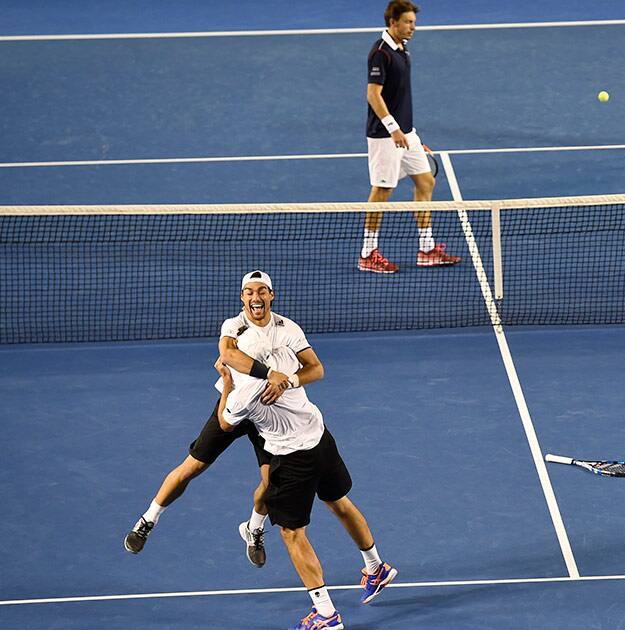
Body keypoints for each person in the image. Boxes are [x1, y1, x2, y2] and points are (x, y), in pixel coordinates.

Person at [123, 270, 321, 569]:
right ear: (242, 298)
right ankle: (148, 519)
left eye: (262, 291)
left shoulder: (288, 328)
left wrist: (287, 381)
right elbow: (227, 355)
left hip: (268, 413)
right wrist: (269, 375)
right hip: (235, 403)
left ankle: (253, 528)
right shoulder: (234, 326)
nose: (256, 297)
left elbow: (315, 369)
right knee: (193, 467)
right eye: (250, 292)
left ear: (272, 295)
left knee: (271, 484)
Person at [216, 340, 396, 629]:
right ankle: (376, 567)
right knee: (339, 503)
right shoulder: (284, 359)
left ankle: (325, 614)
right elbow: (313, 368)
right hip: (321, 439)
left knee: (292, 533)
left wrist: (227, 383)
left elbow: (224, 424)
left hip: (293, 459)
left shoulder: (242, 395)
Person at [359, 0, 461, 273]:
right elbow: (373, 95)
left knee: (425, 181)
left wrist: (409, 133)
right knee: (382, 190)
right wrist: (393, 128)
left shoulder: (402, 48)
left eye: (413, 22)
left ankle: (426, 249)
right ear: (393, 22)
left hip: (407, 134)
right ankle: (367, 253)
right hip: (385, 135)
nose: (413, 27)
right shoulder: (381, 53)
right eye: (407, 22)